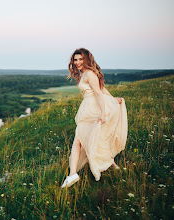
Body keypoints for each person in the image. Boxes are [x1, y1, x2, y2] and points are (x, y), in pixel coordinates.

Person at [61, 48, 128, 188]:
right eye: (75, 59)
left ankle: (73, 174)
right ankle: (110, 164)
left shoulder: (90, 74)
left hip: (94, 108)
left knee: (82, 138)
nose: (78, 62)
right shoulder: (84, 73)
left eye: (81, 59)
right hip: (89, 107)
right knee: (89, 138)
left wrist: (103, 112)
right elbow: (102, 89)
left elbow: (98, 93)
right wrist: (112, 98)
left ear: (86, 59)